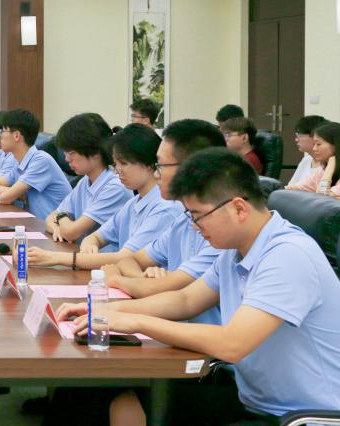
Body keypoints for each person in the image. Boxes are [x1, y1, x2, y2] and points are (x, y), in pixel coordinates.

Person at [56, 148, 340, 425]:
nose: (194, 226)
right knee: (105, 394)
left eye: (197, 215)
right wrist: (106, 309)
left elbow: (232, 344)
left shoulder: (288, 255)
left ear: (239, 208)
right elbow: (185, 301)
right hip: (253, 400)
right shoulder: (236, 250)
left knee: (122, 398)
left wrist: (135, 322)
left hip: (300, 416)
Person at [103, 119, 226, 315]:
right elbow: (129, 260)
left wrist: (117, 280)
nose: (156, 174)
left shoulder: (224, 234)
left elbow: (178, 296)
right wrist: (142, 278)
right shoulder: (183, 222)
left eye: (160, 165)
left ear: (192, 168)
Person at [27, 124, 180, 268]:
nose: (118, 171)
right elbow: (95, 237)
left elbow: (127, 258)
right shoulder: (134, 203)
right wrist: (89, 245)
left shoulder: (165, 207)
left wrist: (55, 258)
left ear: (149, 164)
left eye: (124, 163)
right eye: (116, 164)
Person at [44, 113, 130, 244]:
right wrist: (57, 228)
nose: (67, 159)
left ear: (95, 152)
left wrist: (61, 217)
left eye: (71, 153)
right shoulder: (86, 180)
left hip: (102, 256)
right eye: (65, 153)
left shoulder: (115, 187)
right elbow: (49, 219)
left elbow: (71, 232)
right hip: (79, 252)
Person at [0, 109, 71, 218]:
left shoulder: (41, 161)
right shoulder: (19, 163)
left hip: (52, 227)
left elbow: (5, 198)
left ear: (16, 136)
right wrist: (17, 194)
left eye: (3, 131)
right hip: (33, 223)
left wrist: (11, 193)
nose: (0, 135)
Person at [286, 121, 340, 196]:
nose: (314, 149)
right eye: (314, 144)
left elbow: (324, 198)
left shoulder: (328, 168)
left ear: (336, 145)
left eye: (318, 144)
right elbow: (293, 188)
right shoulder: (321, 170)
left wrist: (330, 167)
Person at [290, 115, 327, 186]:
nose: (296, 139)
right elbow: (290, 187)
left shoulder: (332, 164)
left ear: (315, 136)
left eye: (299, 135)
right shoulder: (307, 160)